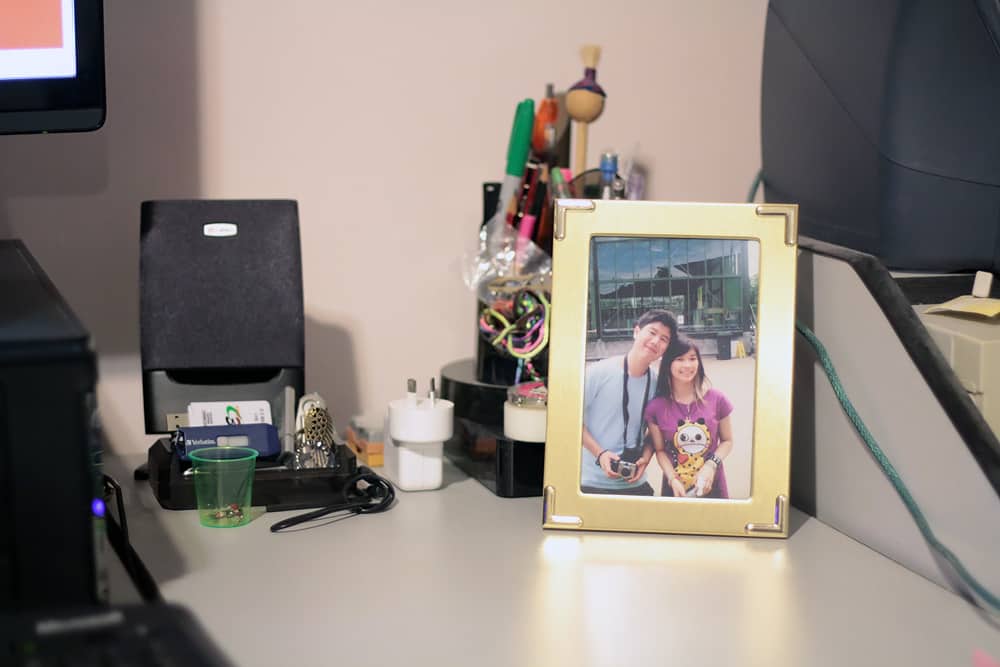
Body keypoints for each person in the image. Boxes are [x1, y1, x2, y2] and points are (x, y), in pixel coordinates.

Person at [580, 309, 677, 495]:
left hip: (635, 481)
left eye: (664, 339)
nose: (656, 341)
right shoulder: (597, 372)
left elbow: (654, 432)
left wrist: (646, 458)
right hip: (591, 481)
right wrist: (600, 454)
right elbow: (569, 419)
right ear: (636, 331)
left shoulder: (658, 384)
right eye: (652, 332)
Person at [644, 337, 734, 499]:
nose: (687, 365)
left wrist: (711, 465)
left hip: (712, 484)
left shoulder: (717, 399)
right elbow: (660, 450)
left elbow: (727, 441)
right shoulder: (655, 407)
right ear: (668, 364)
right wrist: (672, 479)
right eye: (680, 359)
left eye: (692, 359)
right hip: (676, 489)